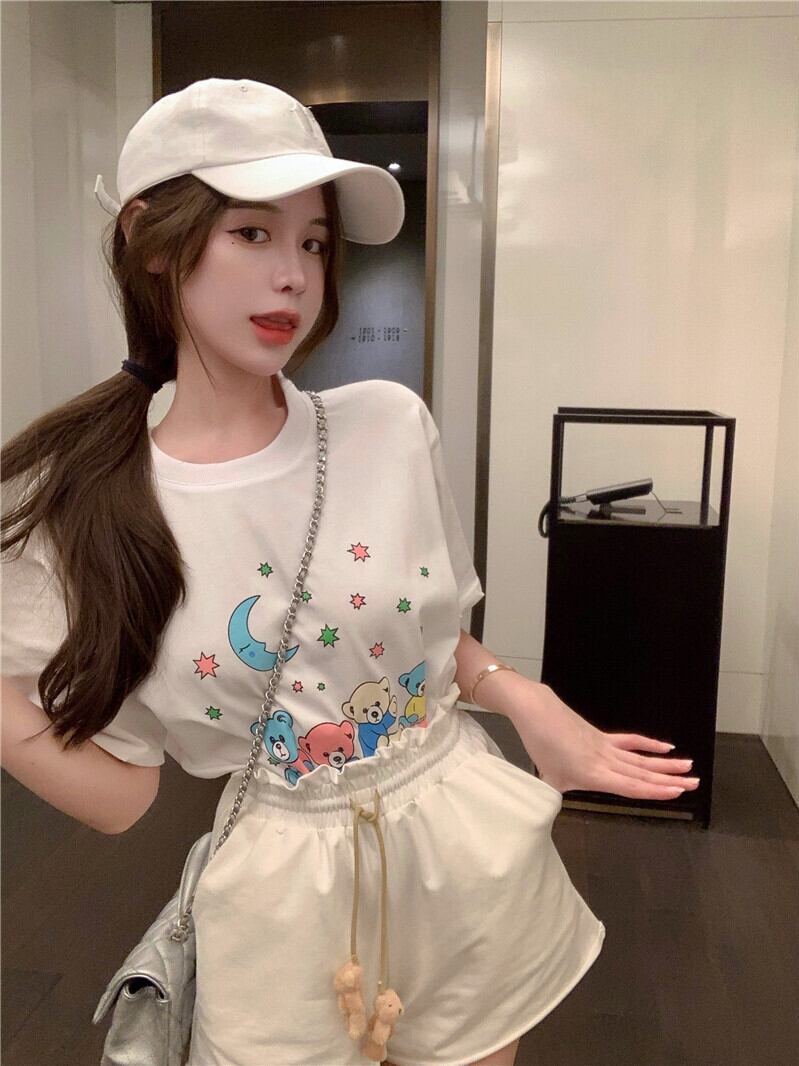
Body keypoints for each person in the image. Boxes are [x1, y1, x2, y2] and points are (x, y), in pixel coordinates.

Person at [1, 78, 699, 1066]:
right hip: (281, 897)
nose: (293, 275)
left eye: (315, 242)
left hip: (460, 836)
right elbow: (123, 796)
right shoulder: (88, 504)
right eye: (252, 233)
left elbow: (430, 640)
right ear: (152, 239)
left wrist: (529, 701)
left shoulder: (388, 426)